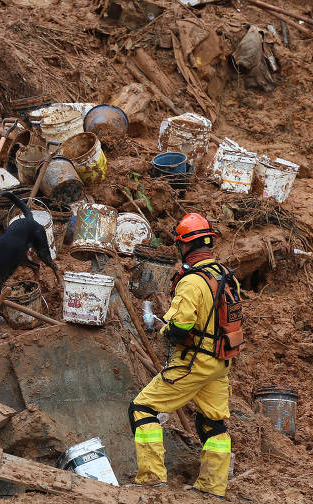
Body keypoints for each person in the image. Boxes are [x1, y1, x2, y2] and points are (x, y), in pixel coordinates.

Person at [128, 213, 242, 498]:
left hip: (194, 361)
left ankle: (152, 477)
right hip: (220, 363)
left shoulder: (192, 282)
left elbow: (180, 328)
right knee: (212, 422)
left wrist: (161, 329)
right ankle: (213, 488)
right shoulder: (226, 276)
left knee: (142, 409)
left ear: (184, 246)